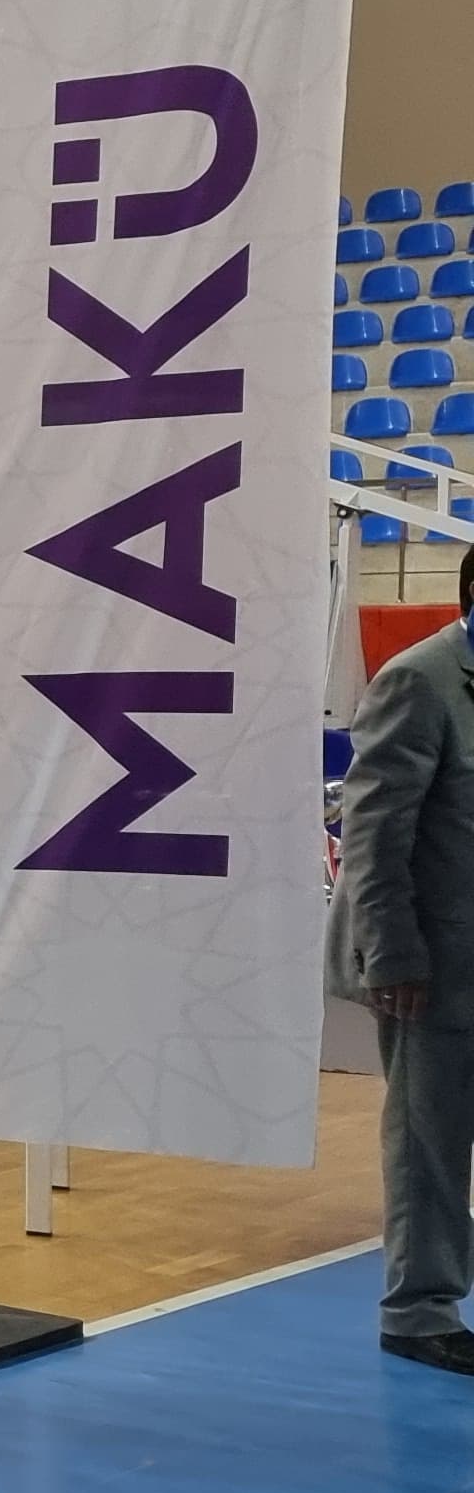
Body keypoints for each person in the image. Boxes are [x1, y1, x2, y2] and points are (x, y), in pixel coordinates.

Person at [326, 543, 474, 1375]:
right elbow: (375, 834)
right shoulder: (420, 681)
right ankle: (419, 1313)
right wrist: (391, 956)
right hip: (432, 964)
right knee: (430, 1140)